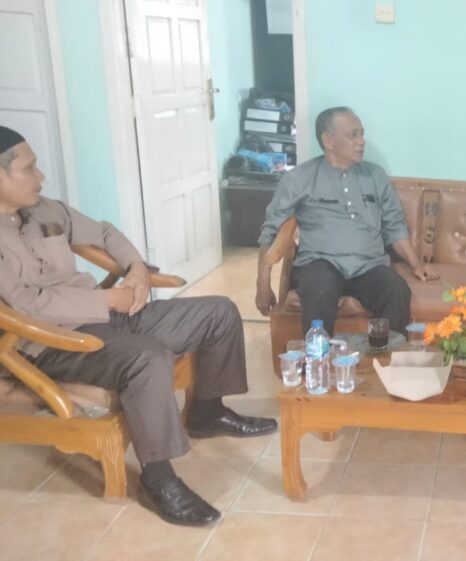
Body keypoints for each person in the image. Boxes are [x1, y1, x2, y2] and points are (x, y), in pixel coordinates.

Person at [0, 126, 277, 527]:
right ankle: (158, 480)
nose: (40, 176)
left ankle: (207, 411)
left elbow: (106, 232)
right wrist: (106, 300)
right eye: (29, 169)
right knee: (148, 358)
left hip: (109, 317)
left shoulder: (45, 210)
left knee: (218, 311)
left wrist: (136, 271)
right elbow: (27, 305)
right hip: (53, 343)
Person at [256, 107, 436, 334]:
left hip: (369, 266)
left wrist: (417, 264)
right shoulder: (299, 178)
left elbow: (394, 226)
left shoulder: (376, 175)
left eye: (362, 134)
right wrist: (262, 285)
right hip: (320, 264)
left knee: (396, 290)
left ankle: (388, 355)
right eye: (353, 135)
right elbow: (271, 231)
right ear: (328, 140)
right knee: (319, 289)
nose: (361, 142)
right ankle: (318, 355)